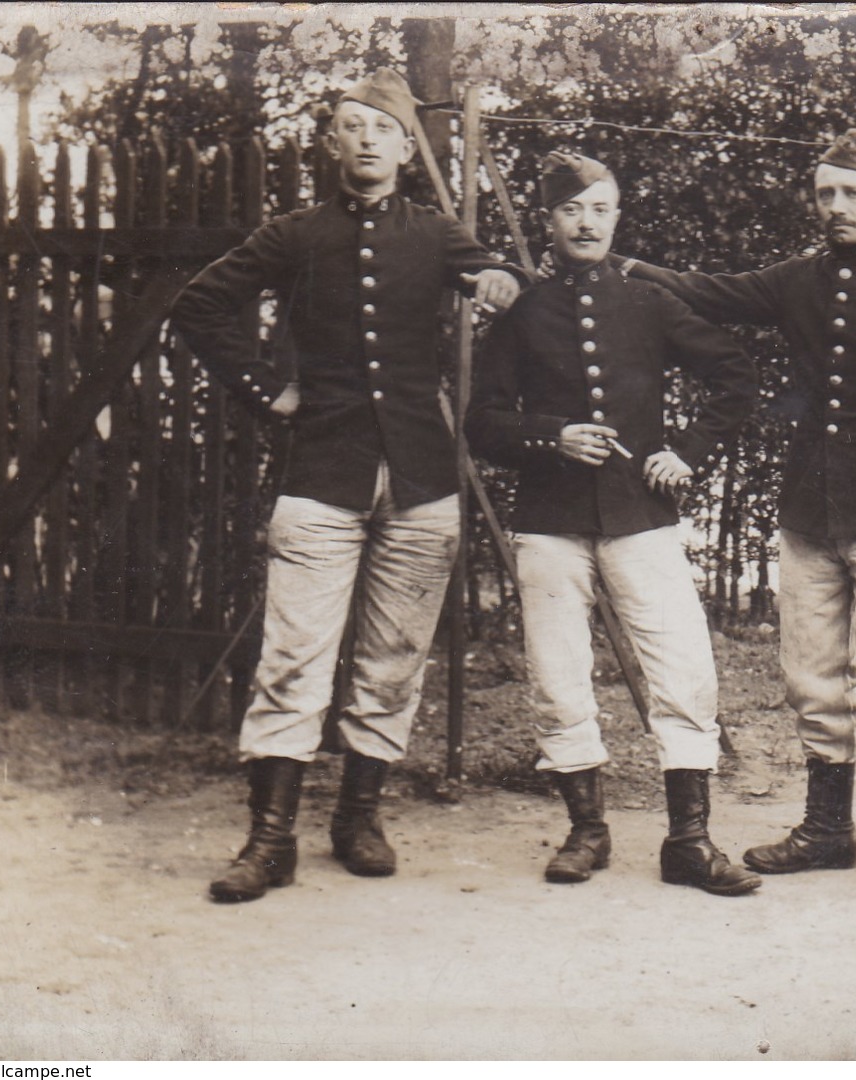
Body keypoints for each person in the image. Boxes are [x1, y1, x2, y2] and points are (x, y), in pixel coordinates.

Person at [171, 68, 526, 903]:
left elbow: (495, 278)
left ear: (408, 149)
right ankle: (269, 839)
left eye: (381, 129)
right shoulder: (295, 234)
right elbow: (199, 306)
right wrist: (266, 391)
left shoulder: (436, 235)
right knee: (294, 656)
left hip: (421, 480)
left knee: (394, 658)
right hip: (320, 474)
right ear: (331, 144)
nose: (365, 140)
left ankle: (359, 817)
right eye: (350, 126)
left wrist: (499, 282)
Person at [620, 130, 856, 905]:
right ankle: (826, 832)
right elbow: (708, 291)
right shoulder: (799, 280)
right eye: (824, 193)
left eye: (851, 193)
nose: (836, 207)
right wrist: (619, 266)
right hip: (810, 516)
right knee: (811, 677)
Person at [466, 152, 761, 897]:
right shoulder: (524, 312)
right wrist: (548, 436)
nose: (586, 222)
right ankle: (585, 830)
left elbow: (733, 374)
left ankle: (689, 840)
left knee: (681, 668)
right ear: (551, 222)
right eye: (571, 211)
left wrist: (685, 451)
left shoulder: (647, 303)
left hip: (640, 515)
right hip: (550, 518)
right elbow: (482, 423)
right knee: (559, 677)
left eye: (599, 209)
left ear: (616, 216)